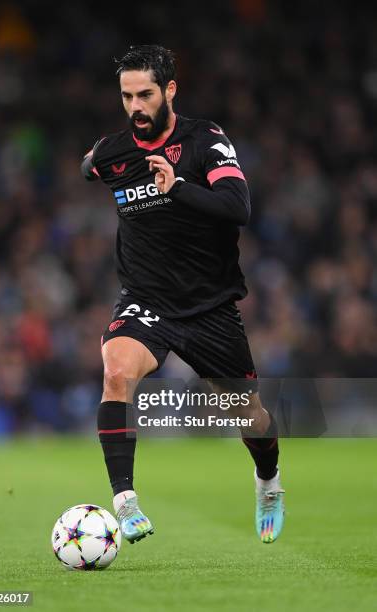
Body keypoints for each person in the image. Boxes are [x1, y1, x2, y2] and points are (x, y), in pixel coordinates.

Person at [81, 45, 284, 544]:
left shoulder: (206, 140)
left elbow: (238, 206)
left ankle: (269, 483)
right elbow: (90, 165)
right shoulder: (114, 152)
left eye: (145, 94)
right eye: (127, 96)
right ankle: (125, 502)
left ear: (169, 90)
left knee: (250, 416)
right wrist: (91, 160)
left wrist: (177, 188)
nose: (135, 106)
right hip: (146, 299)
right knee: (116, 372)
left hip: (209, 307)